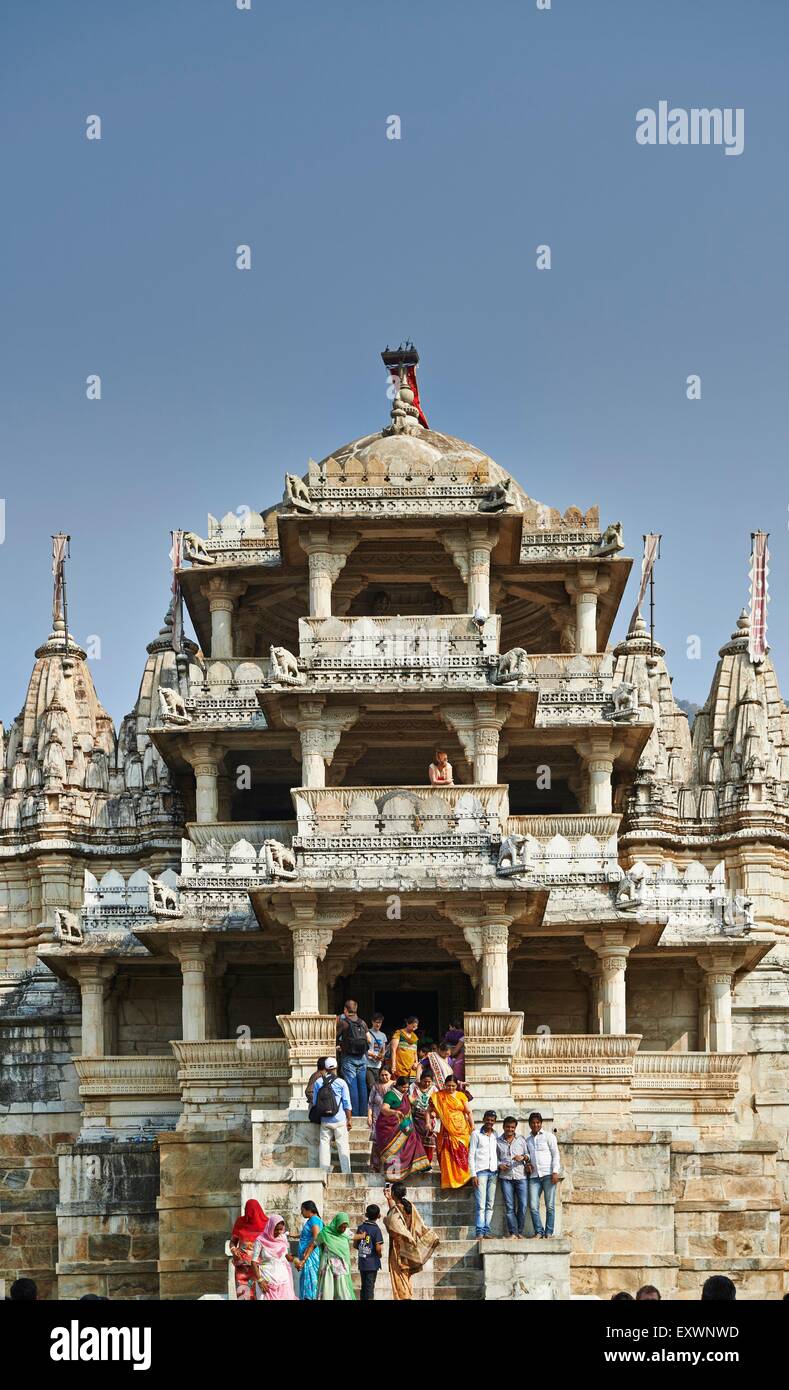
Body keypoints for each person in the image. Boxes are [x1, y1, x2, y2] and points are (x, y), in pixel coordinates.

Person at [383, 1182, 438, 1301]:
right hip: (409, 1248)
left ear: (393, 1193)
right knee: (405, 1277)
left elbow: (394, 1228)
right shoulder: (409, 1206)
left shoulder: (395, 1211)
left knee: (399, 1278)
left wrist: (385, 1222)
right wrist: (389, 1199)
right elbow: (398, 1213)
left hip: (398, 1250)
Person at [375, 1075, 431, 1181]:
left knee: (414, 1140)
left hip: (404, 1125)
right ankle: (393, 1174)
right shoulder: (390, 1095)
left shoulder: (404, 1096)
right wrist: (395, 1112)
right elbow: (384, 1109)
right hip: (389, 1128)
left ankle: (415, 1166)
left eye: (406, 1087)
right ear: (397, 1086)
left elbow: (414, 1103)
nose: (405, 1089)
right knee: (394, 1151)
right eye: (403, 1087)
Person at [430, 1074, 474, 1189]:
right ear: (445, 1085)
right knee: (447, 1152)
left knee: (462, 1151)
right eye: (448, 1086)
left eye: (453, 1086)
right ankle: (449, 1180)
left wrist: (472, 1125)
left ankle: (464, 1177)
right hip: (445, 1129)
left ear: (456, 1085)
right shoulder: (438, 1096)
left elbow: (468, 1112)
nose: (450, 1088)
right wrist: (429, 1120)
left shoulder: (461, 1095)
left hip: (461, 1128)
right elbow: (429, 1110)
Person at [312, 1057, 352, 1174]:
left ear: (325, 1068)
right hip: (339, 1120)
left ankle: (324, 1172)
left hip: (325, 1120)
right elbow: (347, 1104)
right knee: (343, 1145)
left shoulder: (318, 1082)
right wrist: (349, 1119)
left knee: (324, 1145)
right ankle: (346, 1172)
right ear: (336, 1068)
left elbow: (315, 1102)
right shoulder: (341, 1082)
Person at [525, 1112, 561, 1238]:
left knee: (550, 1206)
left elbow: (555, 1154)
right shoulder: (527, 1140)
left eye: (538, 1123)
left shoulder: (549, 1136)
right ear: (529, 1124)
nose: (535, 1125)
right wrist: (527, 1163)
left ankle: (549, 1232)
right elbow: (527, 1156)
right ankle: (539, 1231)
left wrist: (555, 1171)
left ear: (541, 1123)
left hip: (548, 1175)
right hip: (534, 1177)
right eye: (533, 1123)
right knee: (533, 1206)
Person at [337, 999, 372, 1117]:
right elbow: (369, 1040)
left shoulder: (343, 1023)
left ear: (345, 1010)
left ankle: (355, 1115)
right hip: (362, 1058)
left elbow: (333, 1037)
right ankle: (363, 1114)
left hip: (349, 1058)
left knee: (352, 1085)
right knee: (362, 1086)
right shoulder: (363, 1023)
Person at [250, 1213, 297, 1300]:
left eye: (281, 1229)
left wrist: (295, 1261)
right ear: (270, 1227)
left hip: (283, 1277)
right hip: (267, 1278)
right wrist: (260, 1281)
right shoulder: (260, 1240)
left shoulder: (282, 1237)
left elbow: (286, 1255)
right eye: (276, 1229)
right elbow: (253, 1262)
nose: (279, 1232)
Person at [497, 1116, 529, 1238]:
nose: (510, 1129)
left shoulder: (521, 1140)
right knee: (509, 1206)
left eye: (512, 1127)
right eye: (507, 1127)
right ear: (503, 1127)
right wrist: (499, 1165)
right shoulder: (498, 1141)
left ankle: (519, 1231)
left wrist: (523, 1157)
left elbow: (528, 1155)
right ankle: (513, 1233)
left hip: (521, 1176)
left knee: (523, 1205)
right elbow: (494, 1159)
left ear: (515, 1128)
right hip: (506, 1178)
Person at [229, 1198, 268, 1299]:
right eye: (247, 1211)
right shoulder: (240, 1222)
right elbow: (233, 1242)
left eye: (252, 1212)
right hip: (242, 1268)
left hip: (259, 1268)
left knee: (258, 1294)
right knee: (243, 1294)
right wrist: (234, 1250)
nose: (249, 1215)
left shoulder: (267, 1223)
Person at [469, 1110, 499, 1237]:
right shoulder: (476, 1134)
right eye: (488, 1119)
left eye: (492, 1120)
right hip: (480, 1172)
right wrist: (473, 1174)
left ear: (494, 1121)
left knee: (490, 1204)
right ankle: (479, 1232)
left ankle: (486, 1230)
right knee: (481, 1205)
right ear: (483, 1119)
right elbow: (471, 1154)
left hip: (493, 1172)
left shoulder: (495, 1135)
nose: (490, 1122)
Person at [316, 1213, 356, 1300]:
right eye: (341, 1227)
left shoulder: (346, 1232)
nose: (342, 1229)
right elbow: (315, 1243)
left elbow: (354, 1237)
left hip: (341, 1266)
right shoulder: (325, 1232)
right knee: (327, 1290)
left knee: (343, 1292)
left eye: (345, 1227)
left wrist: (364, 1236)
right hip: (328, 1266)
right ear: (336, 1223)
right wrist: (304, 1259)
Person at [353, 1203, 384, 1302]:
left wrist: (363, 1249)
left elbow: (354, 1245)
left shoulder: (360, 1227)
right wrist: (379, 1255)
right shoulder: (376, 1230)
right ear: (378, 1216)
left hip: (362, 1262)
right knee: (370, 1287)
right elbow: (378, 1248)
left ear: (366, 1215)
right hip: (372, 1263)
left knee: (364, 1286)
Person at [293, 1200, 323, 1300]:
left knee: (310, 1283)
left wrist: (305, 1257)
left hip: (311, 1256)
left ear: (309, 1210)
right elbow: (307, 1235)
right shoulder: (312, 1220)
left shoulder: (314, 1219)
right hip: (308, 1255)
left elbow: (316, 1237)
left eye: (302, 1210)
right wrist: (292, 1235)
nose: (301, 1213)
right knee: (307, 1281)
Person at [367, 1065, 393, 1171]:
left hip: (390, 1119)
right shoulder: (375, 1086)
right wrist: (369, 1116)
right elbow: (370, 1103)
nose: (384, 1077)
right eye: (382, 1075)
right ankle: (375, 1166)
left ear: (390, 1075)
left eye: (386, 1075)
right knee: (376, 1143)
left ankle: (390, 1166)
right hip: (376, 1118)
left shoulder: (394, 1086)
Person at [409, 1071, 438, 1166]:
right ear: (421, 1080)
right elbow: (409, 1100)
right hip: (416, 1119)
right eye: (425, 1081)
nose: (427, 1084)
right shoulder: (413, 1087)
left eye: (429, 1082)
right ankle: (416, 1164)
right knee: (416, 1142)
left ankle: (427, 1164)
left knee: (430, 1142)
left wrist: (434, 1112)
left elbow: (438, 1105)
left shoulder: (434, 1089)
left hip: (430, 1120)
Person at [366, 1013, 387, 1095]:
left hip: (378, 1065)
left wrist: (381, 1056)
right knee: (372, 1086)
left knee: (378, 1086)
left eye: (380, 1022)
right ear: (372, 1022)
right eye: (376, 1022)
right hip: (368, 1064)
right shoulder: (367, 1033)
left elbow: (383, 1050)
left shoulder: (383, 1035)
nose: (378, 1024)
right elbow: (364, 1049)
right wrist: (372, 1055)